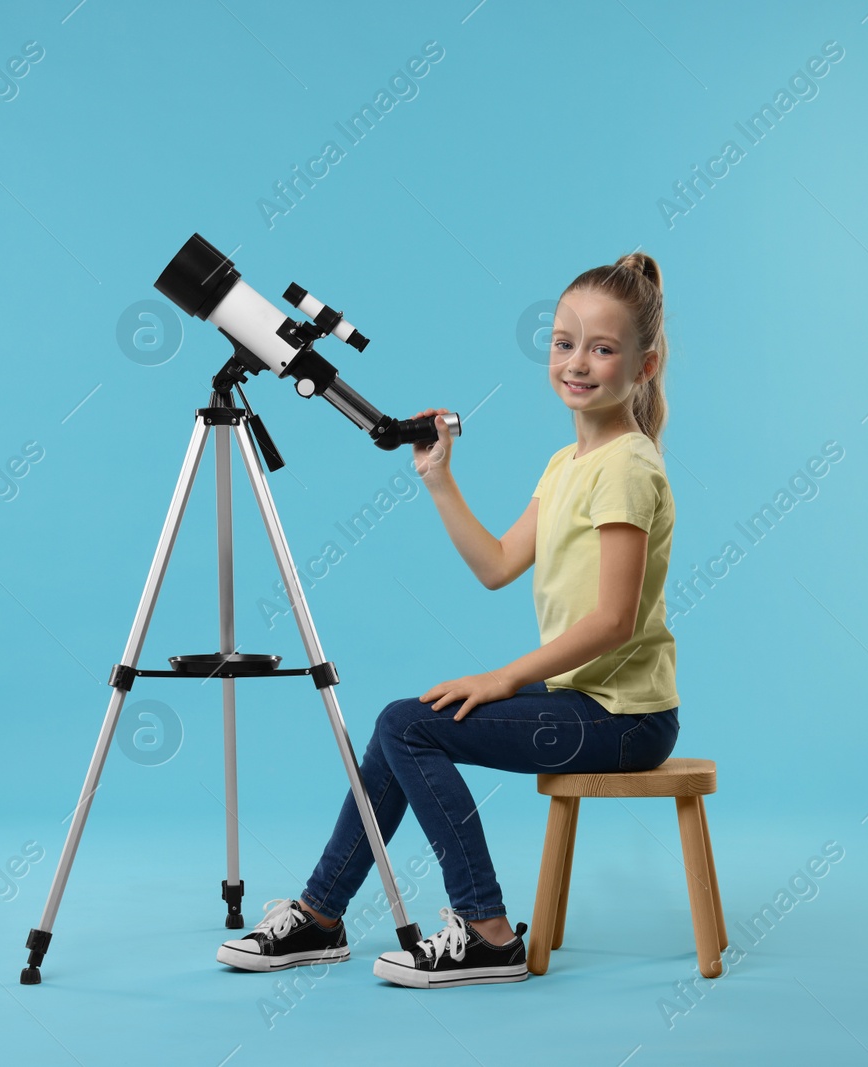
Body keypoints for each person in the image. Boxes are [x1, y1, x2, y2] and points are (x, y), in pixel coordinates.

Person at [217, 252, 681, 988]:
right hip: (582, 700)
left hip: (625, 717)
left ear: (645, 364)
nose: (577, 363)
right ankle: (322, 912)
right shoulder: (568, 464)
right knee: (406, 718)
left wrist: (501, 678)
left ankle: (487, 930)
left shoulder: (626, 466)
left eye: (603, 347)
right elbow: (498, 564)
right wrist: (440, 480)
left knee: (408, 723)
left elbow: (615, 622)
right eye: (564, 343)